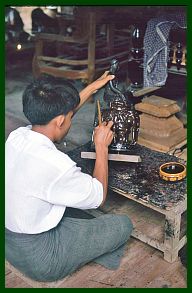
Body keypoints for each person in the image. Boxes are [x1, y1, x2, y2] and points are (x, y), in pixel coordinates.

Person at [5, 72, 133, 282]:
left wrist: (92, 88)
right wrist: (102, 147)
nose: (71, 119)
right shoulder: (57, 165)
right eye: (70, 117)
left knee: (74, 211)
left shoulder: (16, 137)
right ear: (60, 120)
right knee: (122, 225)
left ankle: (88, 246)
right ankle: (91, 253)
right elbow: (98, 196)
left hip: (8, 241)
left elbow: (60, 116)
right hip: (41, 259)